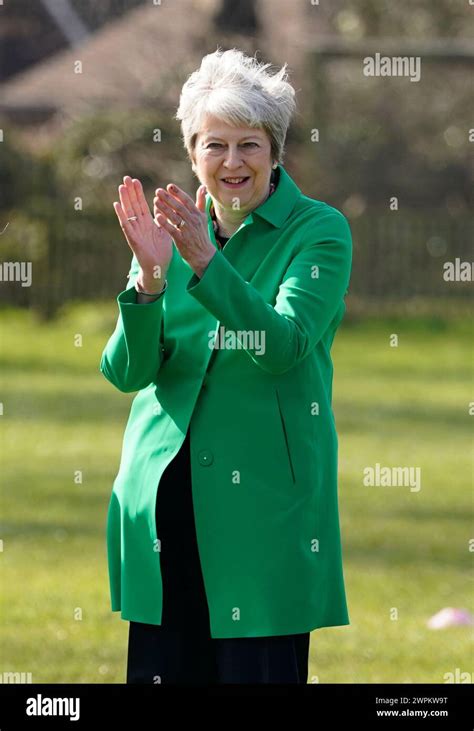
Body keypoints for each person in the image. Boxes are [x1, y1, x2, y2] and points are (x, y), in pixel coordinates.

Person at [100, 47, 353, 685]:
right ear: (192, 154)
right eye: (215, 145)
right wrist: (153, 281)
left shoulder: (318, 231)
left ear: (275, 152)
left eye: (250, 145)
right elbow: (127, 373)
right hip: (161, 502)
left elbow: (284, 345)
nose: (233, 162)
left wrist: (208, 264)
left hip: (263, 511)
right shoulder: (168, 233)